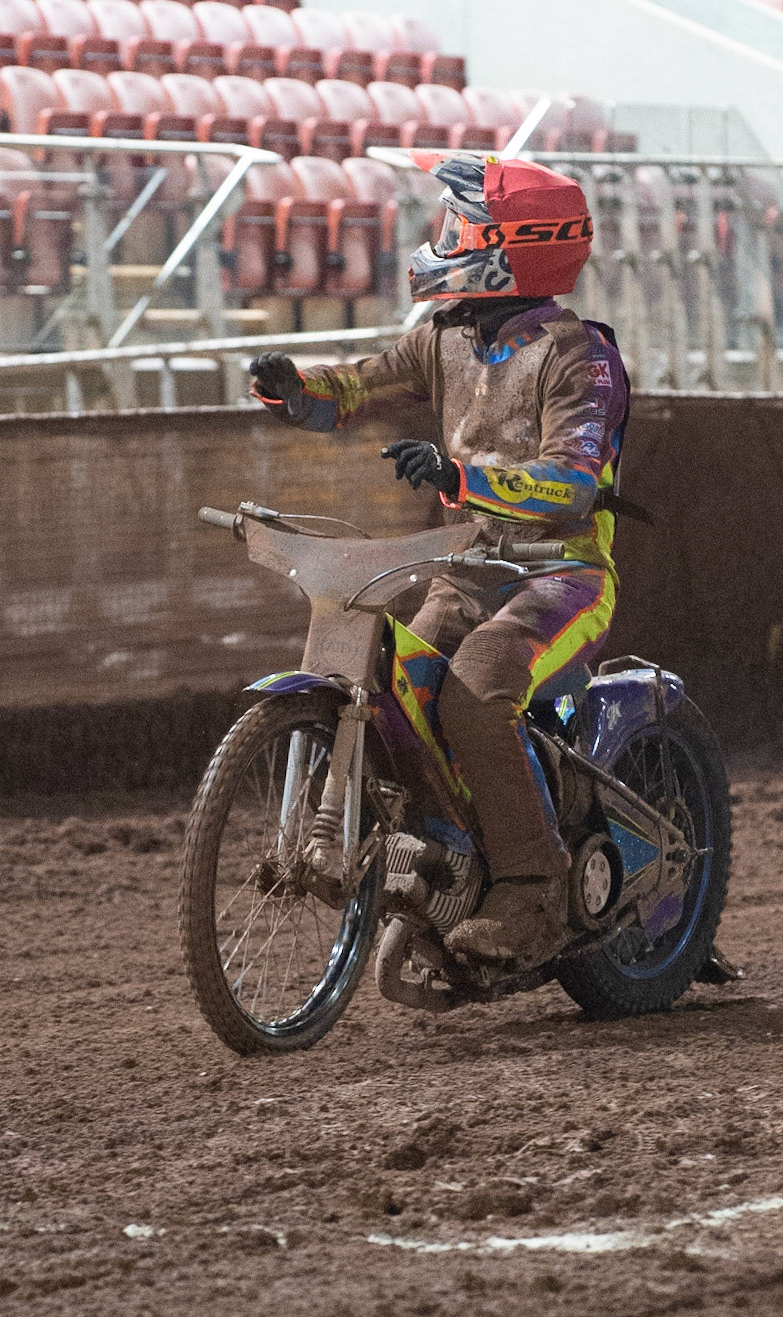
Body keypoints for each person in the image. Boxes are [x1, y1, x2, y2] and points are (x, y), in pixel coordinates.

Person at [249, 152, 629, 969]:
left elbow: (571, 482)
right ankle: (442, 856)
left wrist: (463, 477)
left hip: (562, 576)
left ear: (512, 246)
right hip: (465, 570)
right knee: (398, 681)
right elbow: (361, 386)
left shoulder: (580, 355)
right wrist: (297, 392)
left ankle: (531, 887)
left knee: (475, 692)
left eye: (462, 227)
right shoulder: (446, 336)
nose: (445, 239)